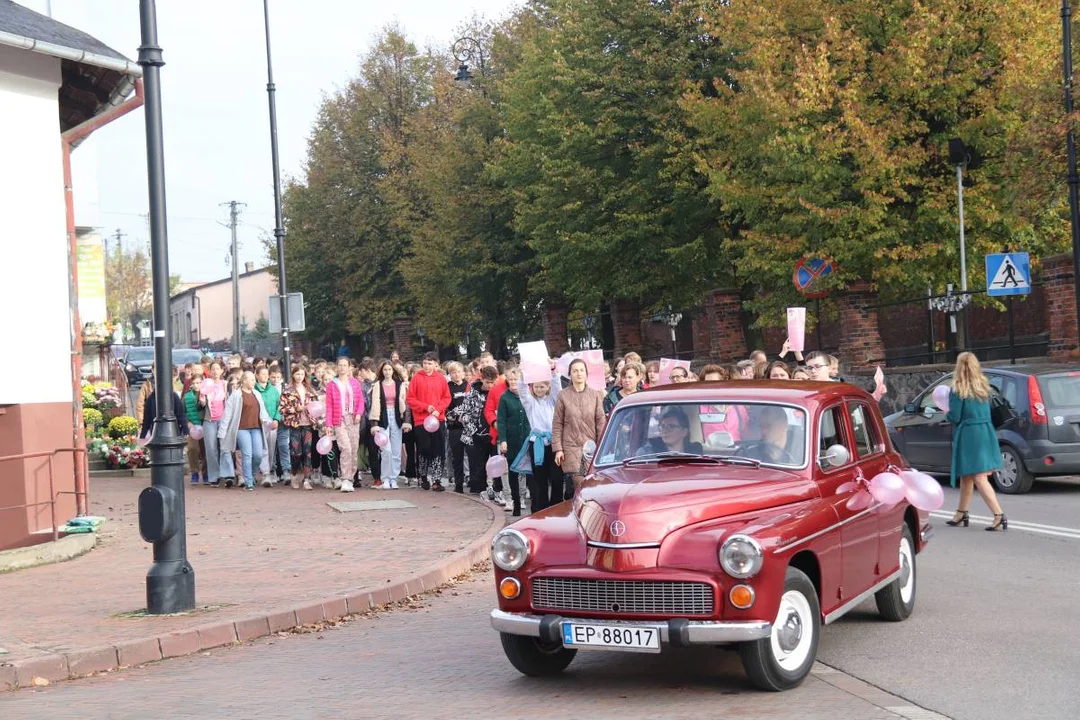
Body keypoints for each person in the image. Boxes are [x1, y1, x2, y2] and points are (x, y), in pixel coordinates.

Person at [945, 352, 1008, 531]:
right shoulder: (984, 386)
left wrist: (946, 413)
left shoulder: (958, 389)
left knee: (979, 477)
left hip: (969, 434)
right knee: (967, 475)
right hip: (986, 431)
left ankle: (999, 515)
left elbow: (955, 416)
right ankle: (961, 512)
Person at [552, 358, 607, 500]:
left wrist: (602, 446)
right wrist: (558, 449)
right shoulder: (563, 395)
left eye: (582, 370)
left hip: (591, 446)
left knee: (591, 484)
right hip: (570, 447)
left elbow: (601, 421)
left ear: (586, 373)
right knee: (580, 484)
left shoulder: (595, 395)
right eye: (575, 370)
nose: (579, 373)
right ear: (570, 374)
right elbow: (557, 423)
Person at [517, 366, 562, 513]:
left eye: (542, 386)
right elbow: (522, 392)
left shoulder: (553, 401)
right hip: (537, 444)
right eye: (536, 386)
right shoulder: (530, 403)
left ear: (547, 386)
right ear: (532, 387)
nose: (539, 389)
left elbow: (557, 388)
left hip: (553, 442)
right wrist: (523, 374)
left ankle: (556, 507)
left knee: (556, 478)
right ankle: (540, 510)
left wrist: (554, 372)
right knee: (540, 480)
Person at [218, 370, 271, 490]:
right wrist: (222, 431)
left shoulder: (256, 394)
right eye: (251, 379)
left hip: (256, 427)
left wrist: (267, 421)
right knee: (247, 454)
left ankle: (251, 475)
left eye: (254, 379)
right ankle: (248, 482)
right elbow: (228, 414)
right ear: (244, 380)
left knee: (258, 454)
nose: (253, 382)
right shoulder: (236, 395)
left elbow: (262, 410)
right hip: (241, 429)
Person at [407, 352, 452, 492]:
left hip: (437, 419)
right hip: (421, 420)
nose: (427, 366)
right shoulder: (416, 378)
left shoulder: (441, 379)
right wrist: (425, 407)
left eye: (430, 363)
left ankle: (437, 480)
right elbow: (411, 399)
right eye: (425, 363)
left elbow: (447, 398)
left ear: (435, 364)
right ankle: (423, 476)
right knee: (424, 448)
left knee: (438, 450)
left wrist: (438, 409)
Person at [325, 356, 365, 492]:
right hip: (339, 419)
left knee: (353, 450)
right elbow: (329, 405)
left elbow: (360, 401)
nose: (342, 368)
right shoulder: (332, 384)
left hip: (353, 419)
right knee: (346, 448)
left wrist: (359, 413)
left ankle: (351, 478)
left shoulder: (355, 383)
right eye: (340, 365)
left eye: (344, 365)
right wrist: (329, 424)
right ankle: (345, 479)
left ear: (349, 367)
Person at [369, 360, 412, 489]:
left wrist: (406, 421)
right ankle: (385, 478)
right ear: (382, 371)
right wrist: (374, 423)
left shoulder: (400, 385)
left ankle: (393, 478)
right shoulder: (377, 385)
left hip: (397, 416)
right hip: (383, 417)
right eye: (385, 370)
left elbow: (405, 403)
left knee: (396, 450)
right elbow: (375, 404)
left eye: (389, 369)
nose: (387, 372)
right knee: (386, 450)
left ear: (393, 371)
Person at [496, 366, 530, 516]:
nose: (513, 382)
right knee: (513, 472)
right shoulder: (504, 398)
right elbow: (501, 421)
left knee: (528, 472)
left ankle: (525, 498)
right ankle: (515, 502)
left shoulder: (528, 395)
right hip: (512, 439)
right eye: (510, 380)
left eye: (516, 379)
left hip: (527, 439)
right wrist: (502, 440)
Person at [461, 366, 498, 494]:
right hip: (476, 432)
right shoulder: (473, 391)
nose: (490, 385)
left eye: (493, 382)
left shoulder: (497, 392)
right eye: (488, 382)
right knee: (478, 463)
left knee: (495, 462)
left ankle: (497, 488)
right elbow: (466, 410)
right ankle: (478, 488)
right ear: (482, 379)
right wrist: (471, 428)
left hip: (493, 431)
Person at [279, 365, 317, 490]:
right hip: (295, 424)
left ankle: (307, 479)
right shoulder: (288, 391)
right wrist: (296, 409)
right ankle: (294, 474)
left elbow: (317, 406)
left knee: (307, 452)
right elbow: (282, 408)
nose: (299, 377)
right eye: (297, 374)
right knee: (296, 452)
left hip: (307, 424)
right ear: (293, 375)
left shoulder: (310, 390)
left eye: (302, 374)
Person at [199, 360, 231, 486]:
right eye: (213, 369)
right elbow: (201, 404)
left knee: (225, 447)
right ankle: (214, 476)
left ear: (222, 371)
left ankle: (228, 474)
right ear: (209, 371)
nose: (215, 371)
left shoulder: (225, 384)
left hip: (223, 419)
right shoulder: (206, 384)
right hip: (209, 419)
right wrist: (202, 400)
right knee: (211, 449)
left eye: (218, 369)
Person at [445, 361, 470, 493]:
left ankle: (472, 480)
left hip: (468, 426)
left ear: (463, 373)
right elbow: (446, 405)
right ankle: (458, 484)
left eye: (459, 371)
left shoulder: (468, 386)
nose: (457, 374)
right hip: (455, 427)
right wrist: (455, 416)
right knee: (457, 456)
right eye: (453, 372)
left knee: (471, 455)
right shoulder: (448, 387)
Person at [636, 407, 703, 456]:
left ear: (684, 432)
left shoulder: (695, 451)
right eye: (663, 426)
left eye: (670, 427)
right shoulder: (648, 453)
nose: (665, 431)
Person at [182, 373, 206, 485]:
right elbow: (182, 412)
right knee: (192, 448)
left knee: (205, 449)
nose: (197, 385)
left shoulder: (207, 394)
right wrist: (187, 422)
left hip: (206, 425)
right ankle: (194, 472)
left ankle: (206, 473)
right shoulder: (187, 396)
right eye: (194, 383)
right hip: (193, 426)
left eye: (199, 383)